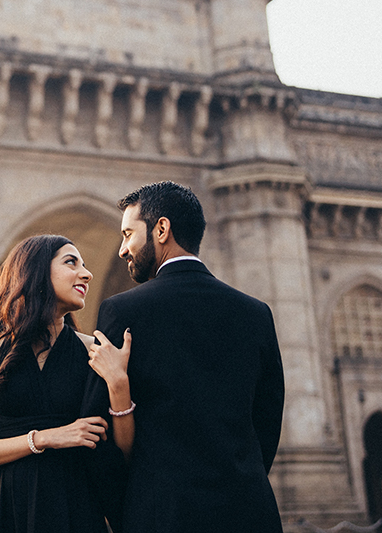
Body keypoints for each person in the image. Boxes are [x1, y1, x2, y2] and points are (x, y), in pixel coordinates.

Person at [90, 181, 285, 532]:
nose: (123, 249)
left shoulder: (122, 311)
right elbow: (267, 423)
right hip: (249, 512)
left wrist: (130, 511)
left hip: (160, 514)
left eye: (128, 234)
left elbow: (99, 433)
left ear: (161, 229)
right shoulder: (256, 314)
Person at [0, 234, 133, 533]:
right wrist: (46, 438)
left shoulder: (94, 350)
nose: (86, 274)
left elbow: (123, 449)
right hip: (4, 508)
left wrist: (119, 383)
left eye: (85, 265)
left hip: (73, 506)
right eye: (71, 262)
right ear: (36, 271)